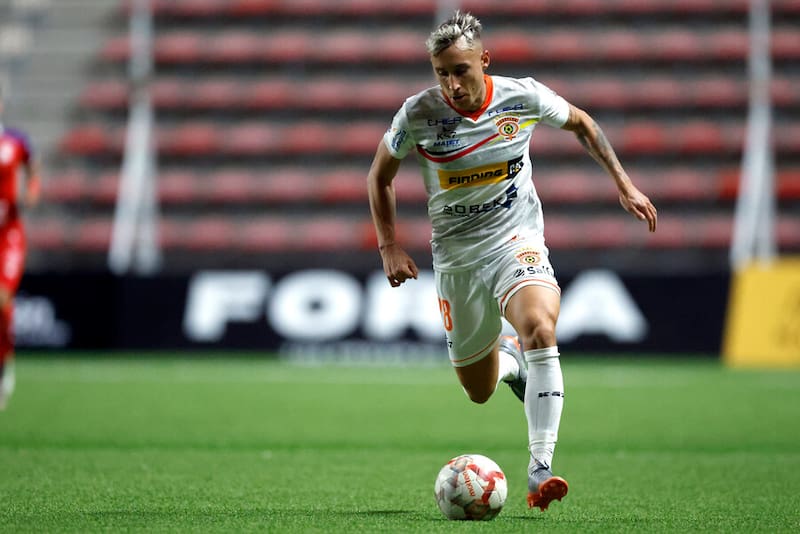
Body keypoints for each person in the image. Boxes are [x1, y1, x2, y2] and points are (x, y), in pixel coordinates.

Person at [367, 11, 657, 511]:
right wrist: (388, 244)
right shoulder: (417, 115)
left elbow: (582, 123)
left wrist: (623, 184)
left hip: (515, 240)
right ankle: (509, 362)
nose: (452, 84)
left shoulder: (522, 96)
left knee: (540, 327)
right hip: (457, 260)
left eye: (460, 70)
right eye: (441, 73)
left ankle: (540, 466)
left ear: (484, 59)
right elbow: (380, 176)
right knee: (478, 391)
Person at [0, 87, 40, 410]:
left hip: (9, 234)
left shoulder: (15, 141)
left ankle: (4, 366)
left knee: (2, 297)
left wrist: (31, 190)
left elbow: (32, 165)